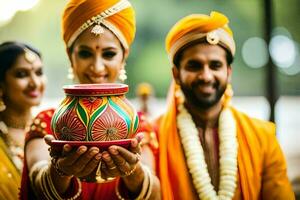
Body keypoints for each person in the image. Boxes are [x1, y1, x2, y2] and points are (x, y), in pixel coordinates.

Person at [20, 0, 160, 199]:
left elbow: (156, 193)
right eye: (85, 54)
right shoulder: (49, 122)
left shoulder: (139, 124)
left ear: (124, 57)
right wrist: (60, 171)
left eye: (109, 54)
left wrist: (133, 171)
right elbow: (37, 179)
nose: (97, 67)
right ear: (70, 56)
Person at [154, 11, 295, 199]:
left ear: (228, 72)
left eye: (215, 65)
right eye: (194, 66)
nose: (206, 76)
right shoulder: (153, 138)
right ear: (176, 74)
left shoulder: (262, 137)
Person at [0, 41, 46, 200]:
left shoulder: (51, 129)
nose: (35, 83)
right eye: (21, 74)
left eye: (39, 72)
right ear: (2, 83)